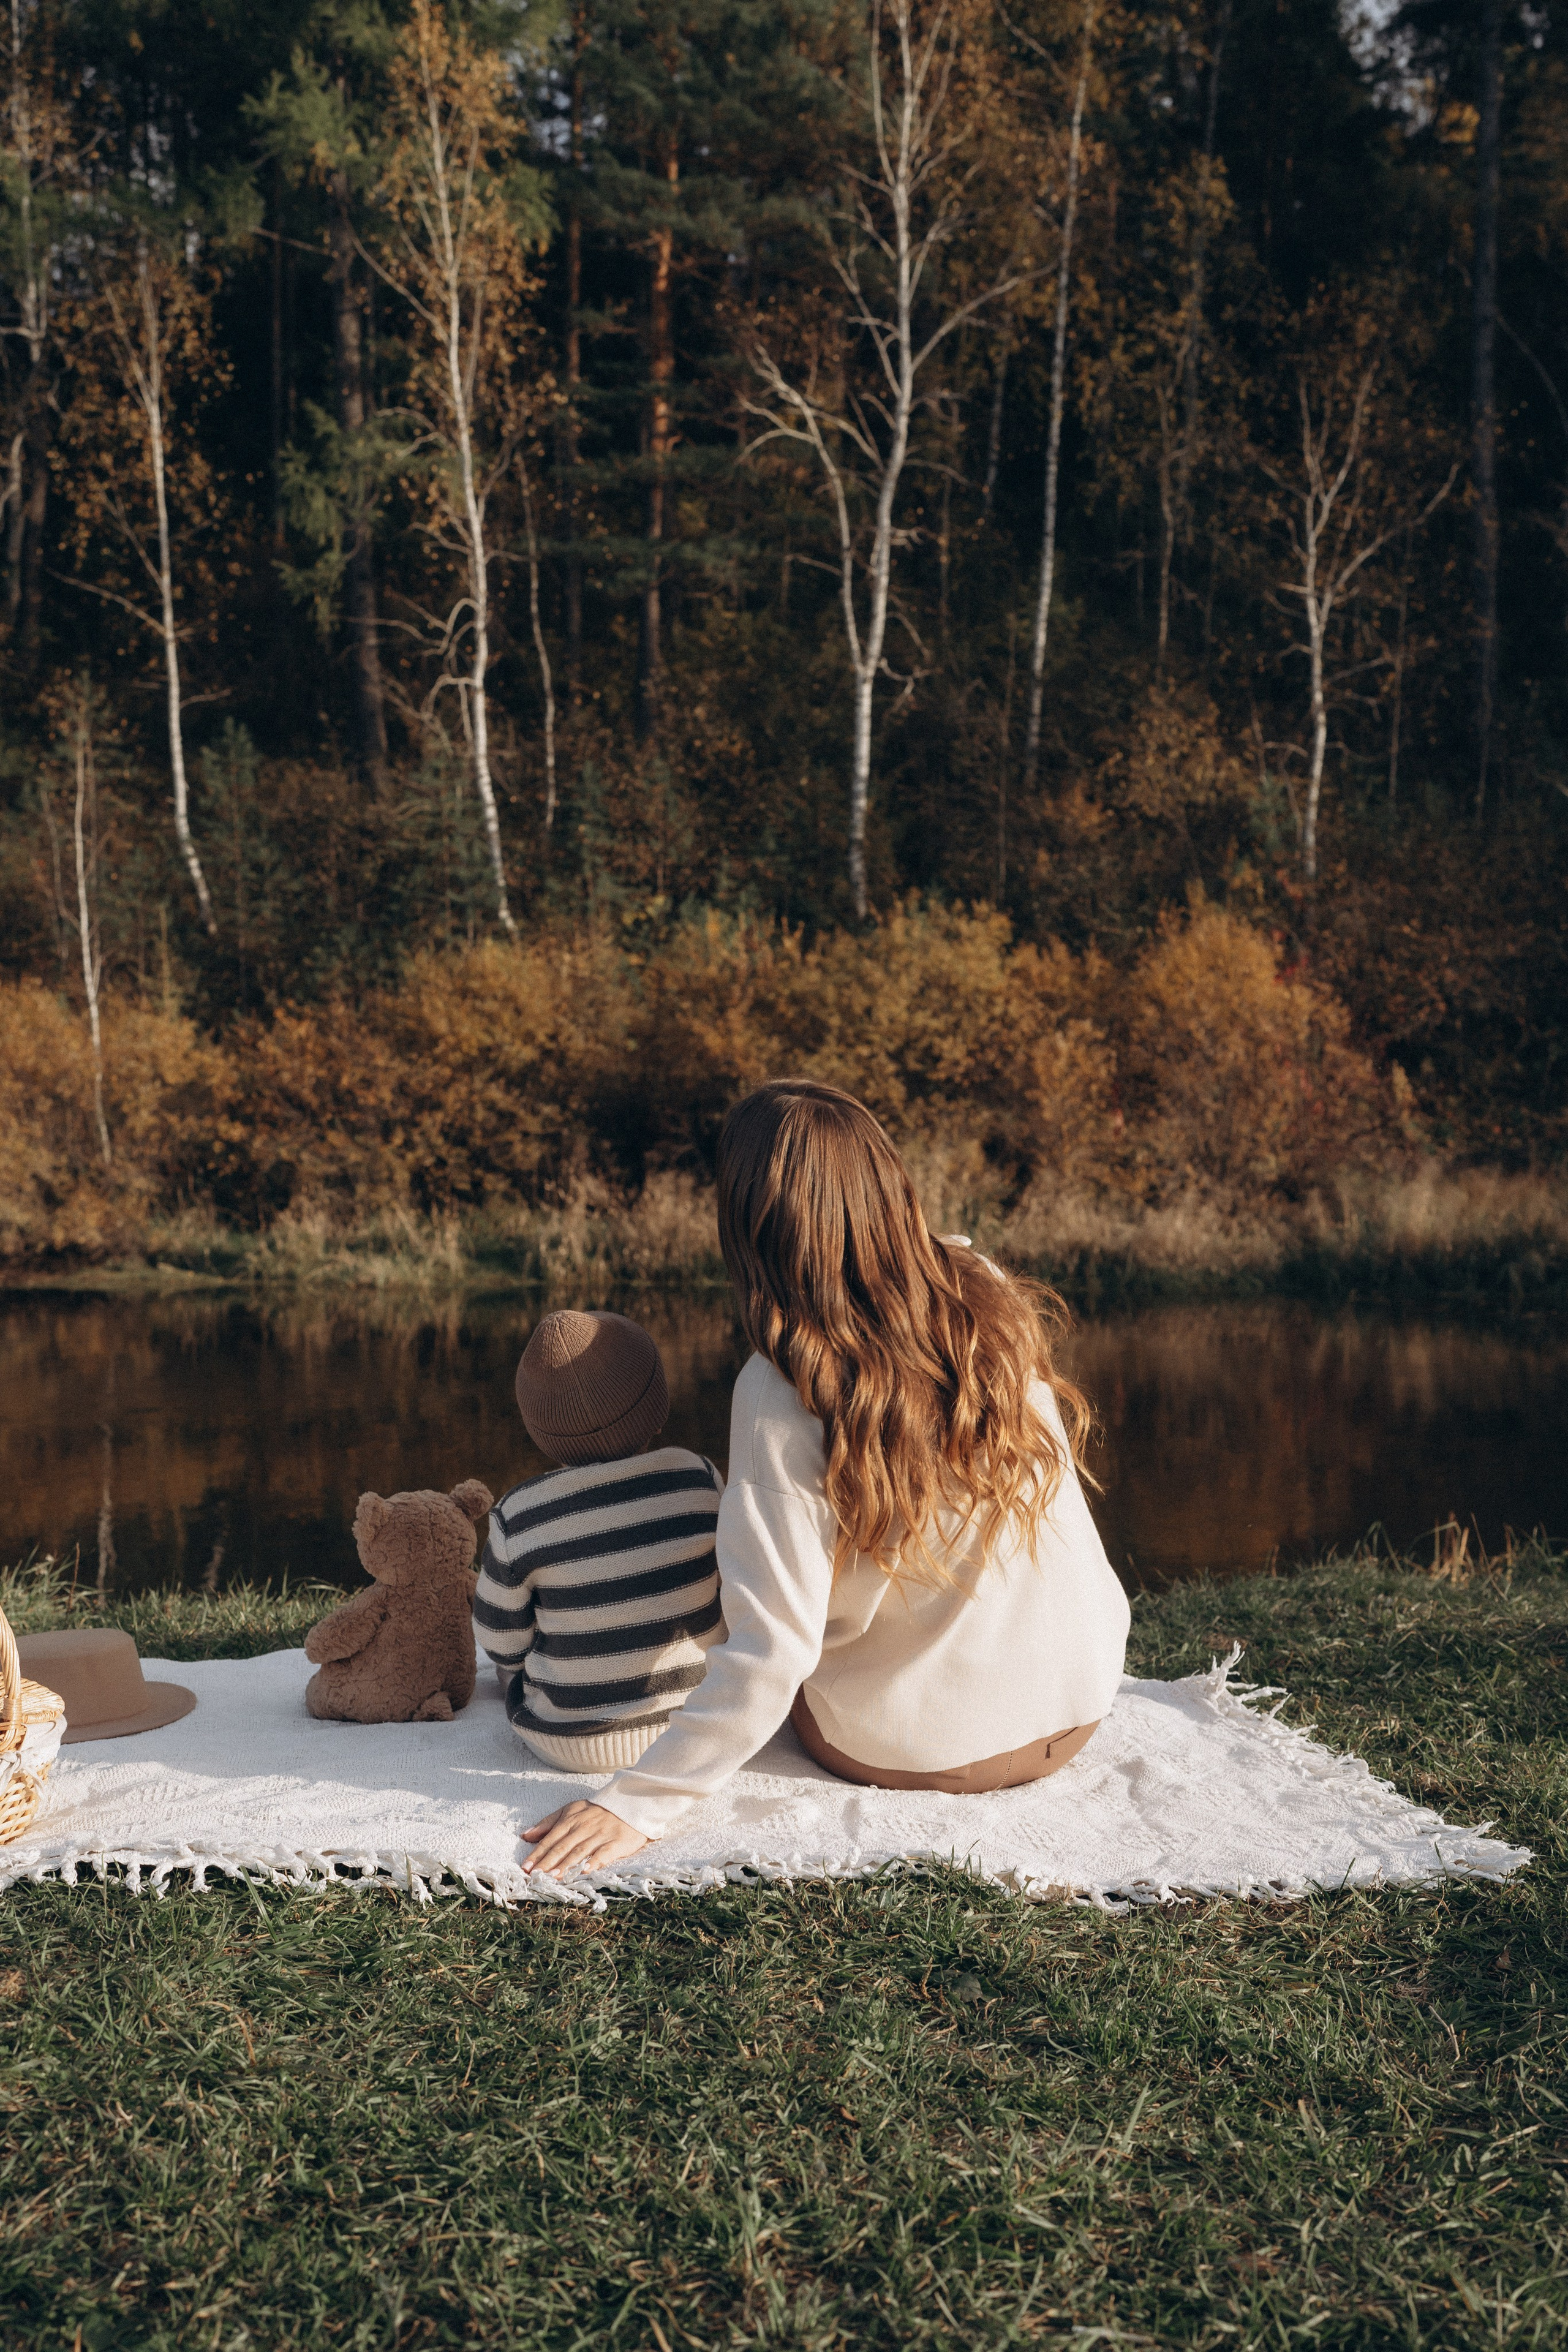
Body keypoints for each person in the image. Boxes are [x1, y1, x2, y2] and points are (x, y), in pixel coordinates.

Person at [522, 1079, 1130, 1877]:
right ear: (888, 1182)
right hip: (1084, 1699)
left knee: (764, 1657)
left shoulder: (780, 1388)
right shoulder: (981, 1286)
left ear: (749, 1227)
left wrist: (636, 1802)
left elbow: (775, 1650)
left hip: (927, 1748)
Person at [475, 1309, 723, 1768]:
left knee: (508, 1662)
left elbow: (500, 1641)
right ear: (658, 1406)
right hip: (698, 1724)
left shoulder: (520, 1513)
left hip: (568, 1743)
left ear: (542, 1434)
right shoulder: (699, 1478)